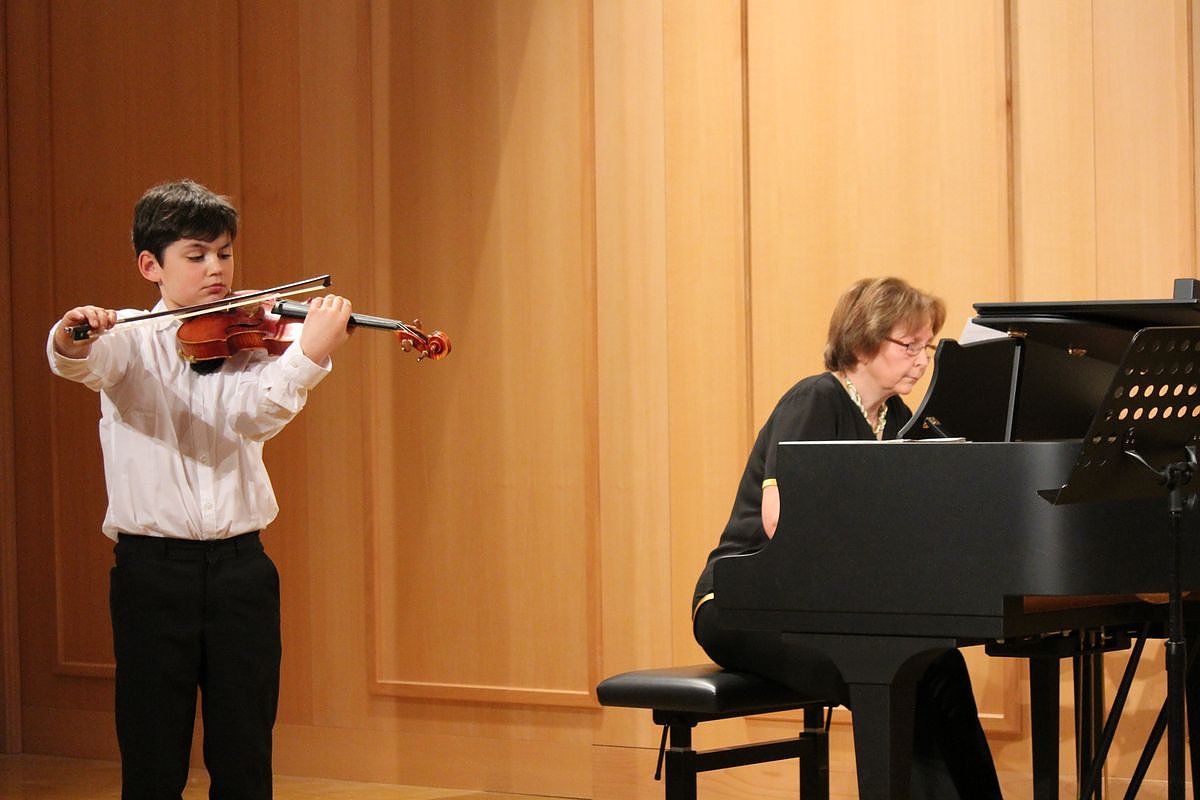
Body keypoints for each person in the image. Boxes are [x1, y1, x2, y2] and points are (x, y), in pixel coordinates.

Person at [47, 179, 354, 800]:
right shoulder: (126, 339)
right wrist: (71, 330)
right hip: (152, 573)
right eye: (196, 255)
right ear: (150, 266)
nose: (216, 269)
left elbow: (253, 415)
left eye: (224, 253)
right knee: (152, 752)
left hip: (243, 570)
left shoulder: (250, 336)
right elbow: (74, 358)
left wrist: (305, 354)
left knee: (245, 752)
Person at [691, 276, 1002, 799]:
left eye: (927, 347)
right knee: (897, 675)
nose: (921, 361)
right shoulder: (816, 398)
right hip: (743, 604)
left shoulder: (899, 420)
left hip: (822, 607)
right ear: (862, 343)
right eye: (909, 346)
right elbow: (781, 521)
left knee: (939, 664)